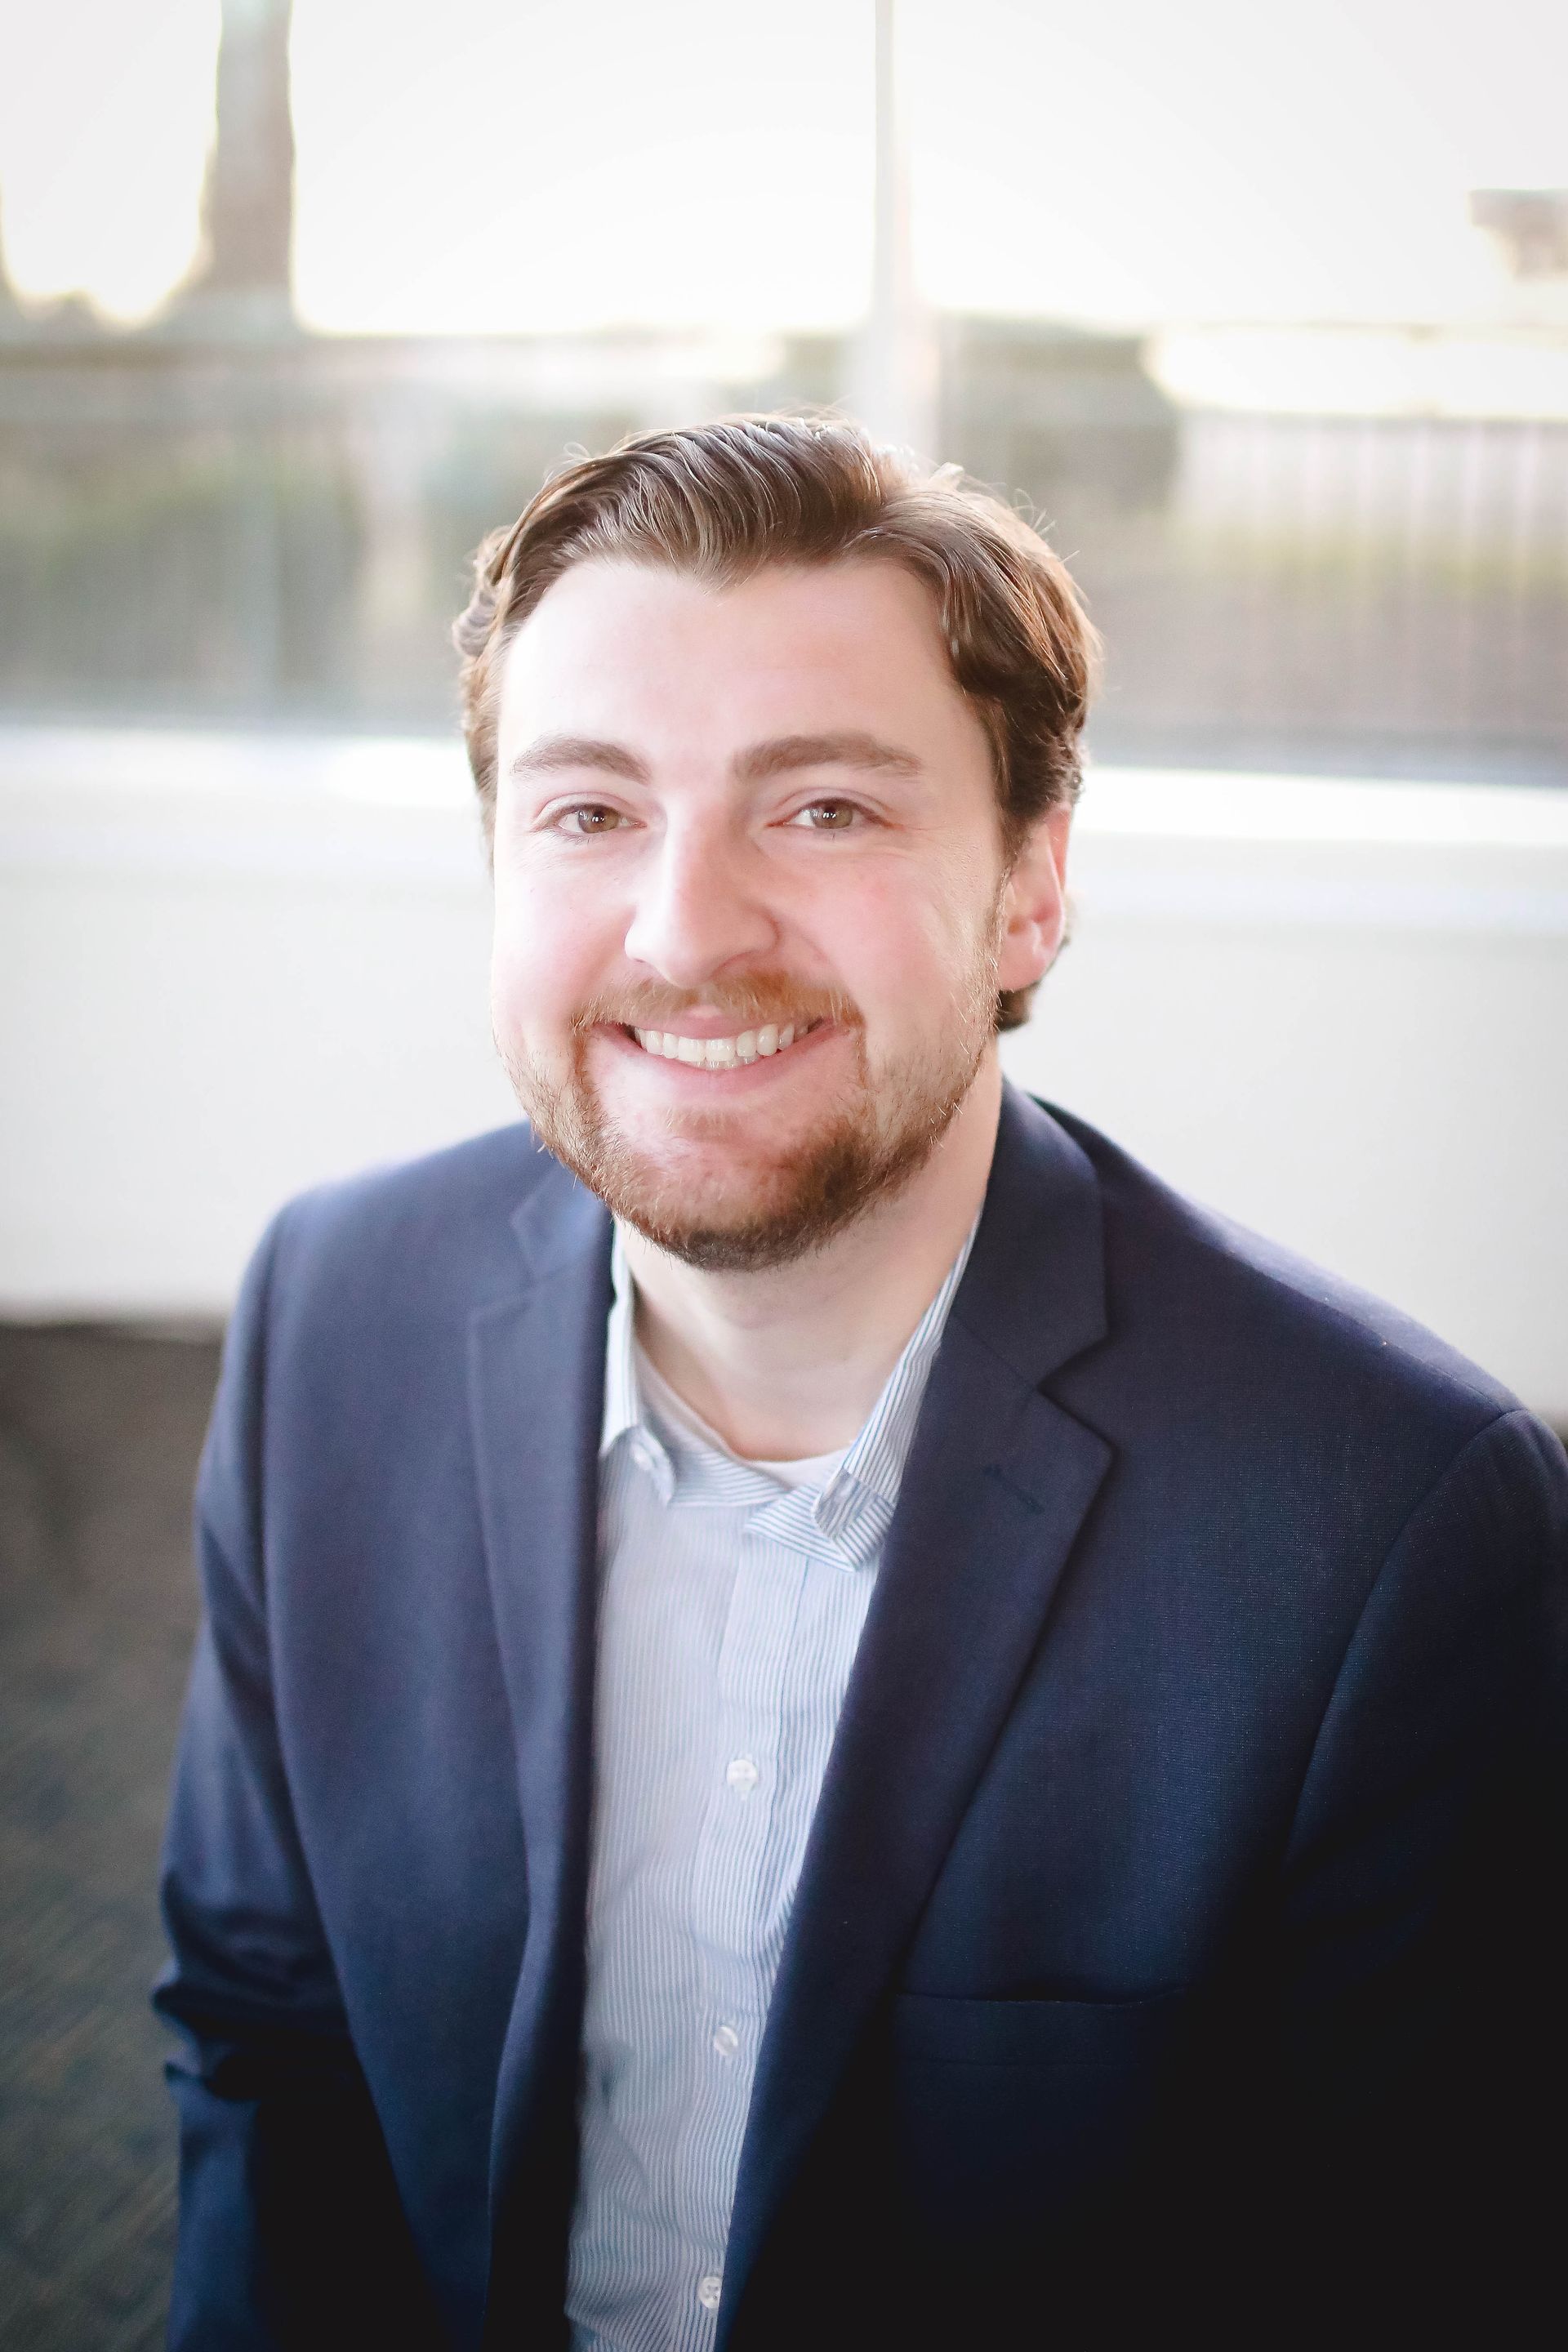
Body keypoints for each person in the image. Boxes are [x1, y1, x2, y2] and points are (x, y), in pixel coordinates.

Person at [156, 416, 1567, 2350]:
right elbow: (267, 2040)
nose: (686, 932)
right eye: (591, 812)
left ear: (1029, 888)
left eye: (823, 809)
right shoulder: (333, 1321)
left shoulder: (1387, 1529)